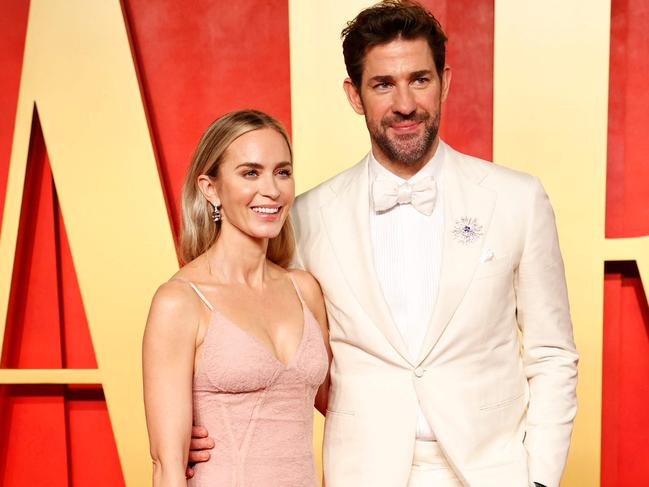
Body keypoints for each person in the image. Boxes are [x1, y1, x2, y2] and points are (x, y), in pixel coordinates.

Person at [189, 2, 578, 486]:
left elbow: (552, 353)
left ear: (446, 82)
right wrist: (197, 421)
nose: (405, 104)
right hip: (362, 473)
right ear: (354, 95)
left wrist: (540, 477)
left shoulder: (517, 199)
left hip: (493, 472)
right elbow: (257, 333)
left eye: (420, 79)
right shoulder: (306, 216)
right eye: (382, 84)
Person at [143, 109, 331, 487]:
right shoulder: (180, 302)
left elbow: (343, 408)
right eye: (250, 173)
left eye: (282, 171)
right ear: (210, 188)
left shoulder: (304, 289)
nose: (272, 190)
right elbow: (168, 467)